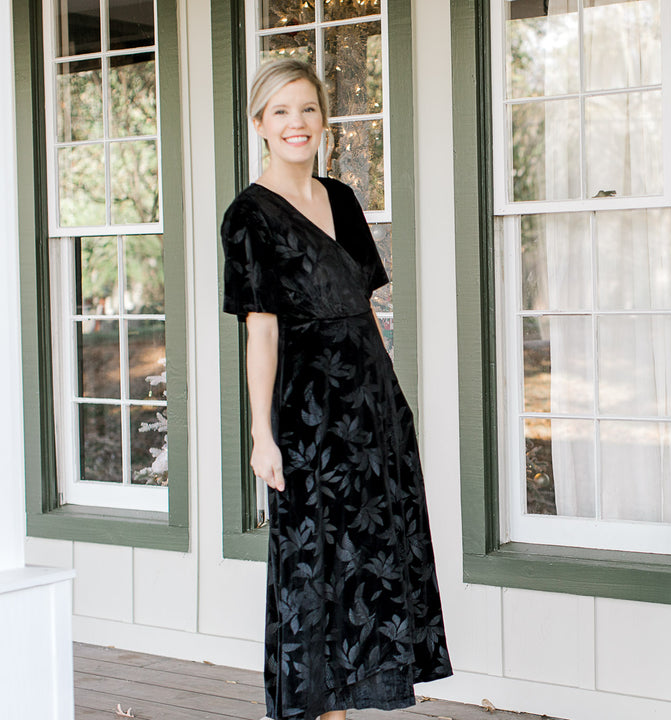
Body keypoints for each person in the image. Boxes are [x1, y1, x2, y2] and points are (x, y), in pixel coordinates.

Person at [220, 59, 452, 720]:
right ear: (260, 123)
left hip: (371, 406)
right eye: (282, 111)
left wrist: (394, 400)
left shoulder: (342, 198)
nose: (298, 123)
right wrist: (263, 433)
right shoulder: (248, 217)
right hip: (309, 416)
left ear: (323, 120)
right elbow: (260, 333)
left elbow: (366, 312)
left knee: (370, 564)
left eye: (308, 110)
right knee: (313, 571)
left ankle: (347, 707)